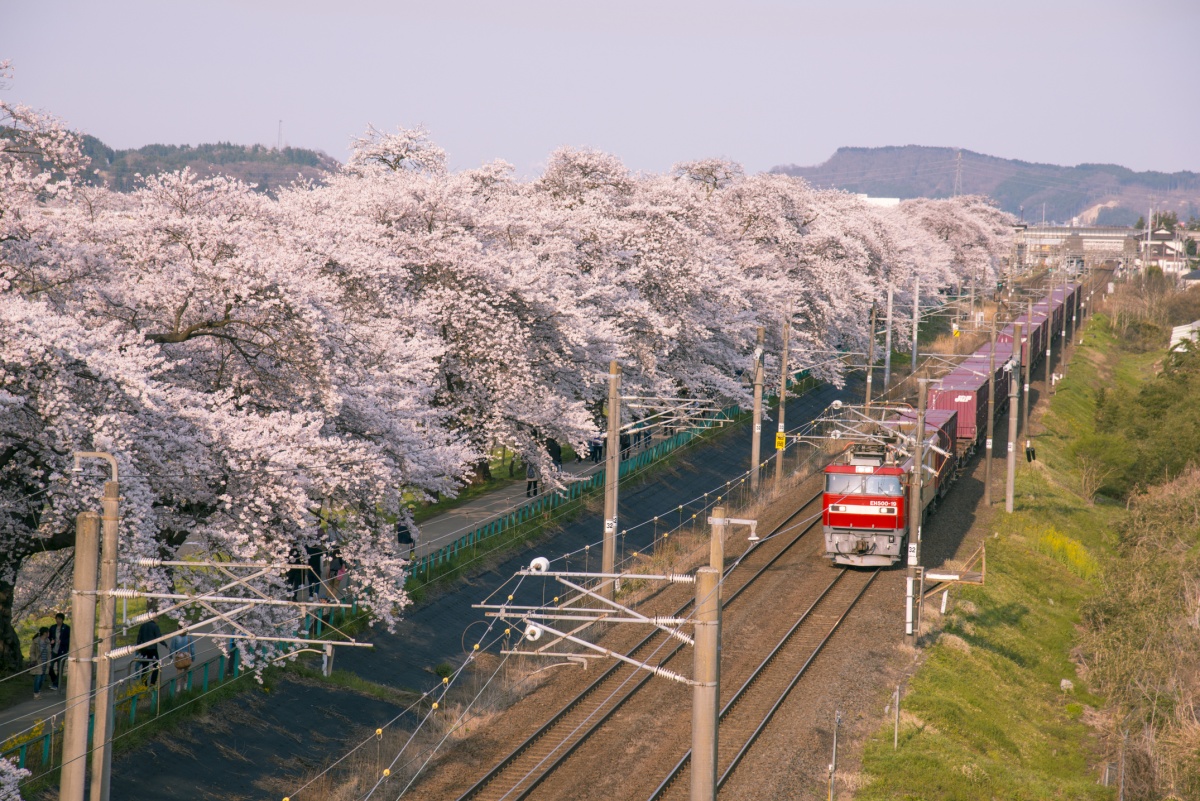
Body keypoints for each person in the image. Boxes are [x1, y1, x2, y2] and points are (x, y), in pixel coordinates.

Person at [135, 619, 162, 686]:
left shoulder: (143, 626)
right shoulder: (155, 626)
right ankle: (152, 682)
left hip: (144, 649)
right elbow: (159, 638)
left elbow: (139, 637)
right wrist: (165, 645)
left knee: (144, 667)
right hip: (153, 649)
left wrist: (138, 647)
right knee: (156, 665)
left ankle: (144, 683)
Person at [48, 612, 70, 692]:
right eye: (57, 619)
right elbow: (49, 637)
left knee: (60, 668)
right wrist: (51, 640)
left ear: (62, 620)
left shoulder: (66, 628)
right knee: (50, 667)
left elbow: (69, 639)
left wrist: (63, 641)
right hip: (54, 650)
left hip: (62, 650)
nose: (58, 621)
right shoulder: (53, 627)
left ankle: (56, 684)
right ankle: (55, 681)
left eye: (60, 619)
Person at [29, 628, 50, 700]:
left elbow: (49, 653)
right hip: (38, 662)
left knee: (42, 679)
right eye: (48, 632)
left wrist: (49, 662)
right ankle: (36, 693)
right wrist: (34, 659)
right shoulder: (36, 641)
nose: (48, 634)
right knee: (38, 678)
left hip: (45, 662)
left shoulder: (48, 641)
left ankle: (38, 691)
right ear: (44, 633)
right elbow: (32, 652)